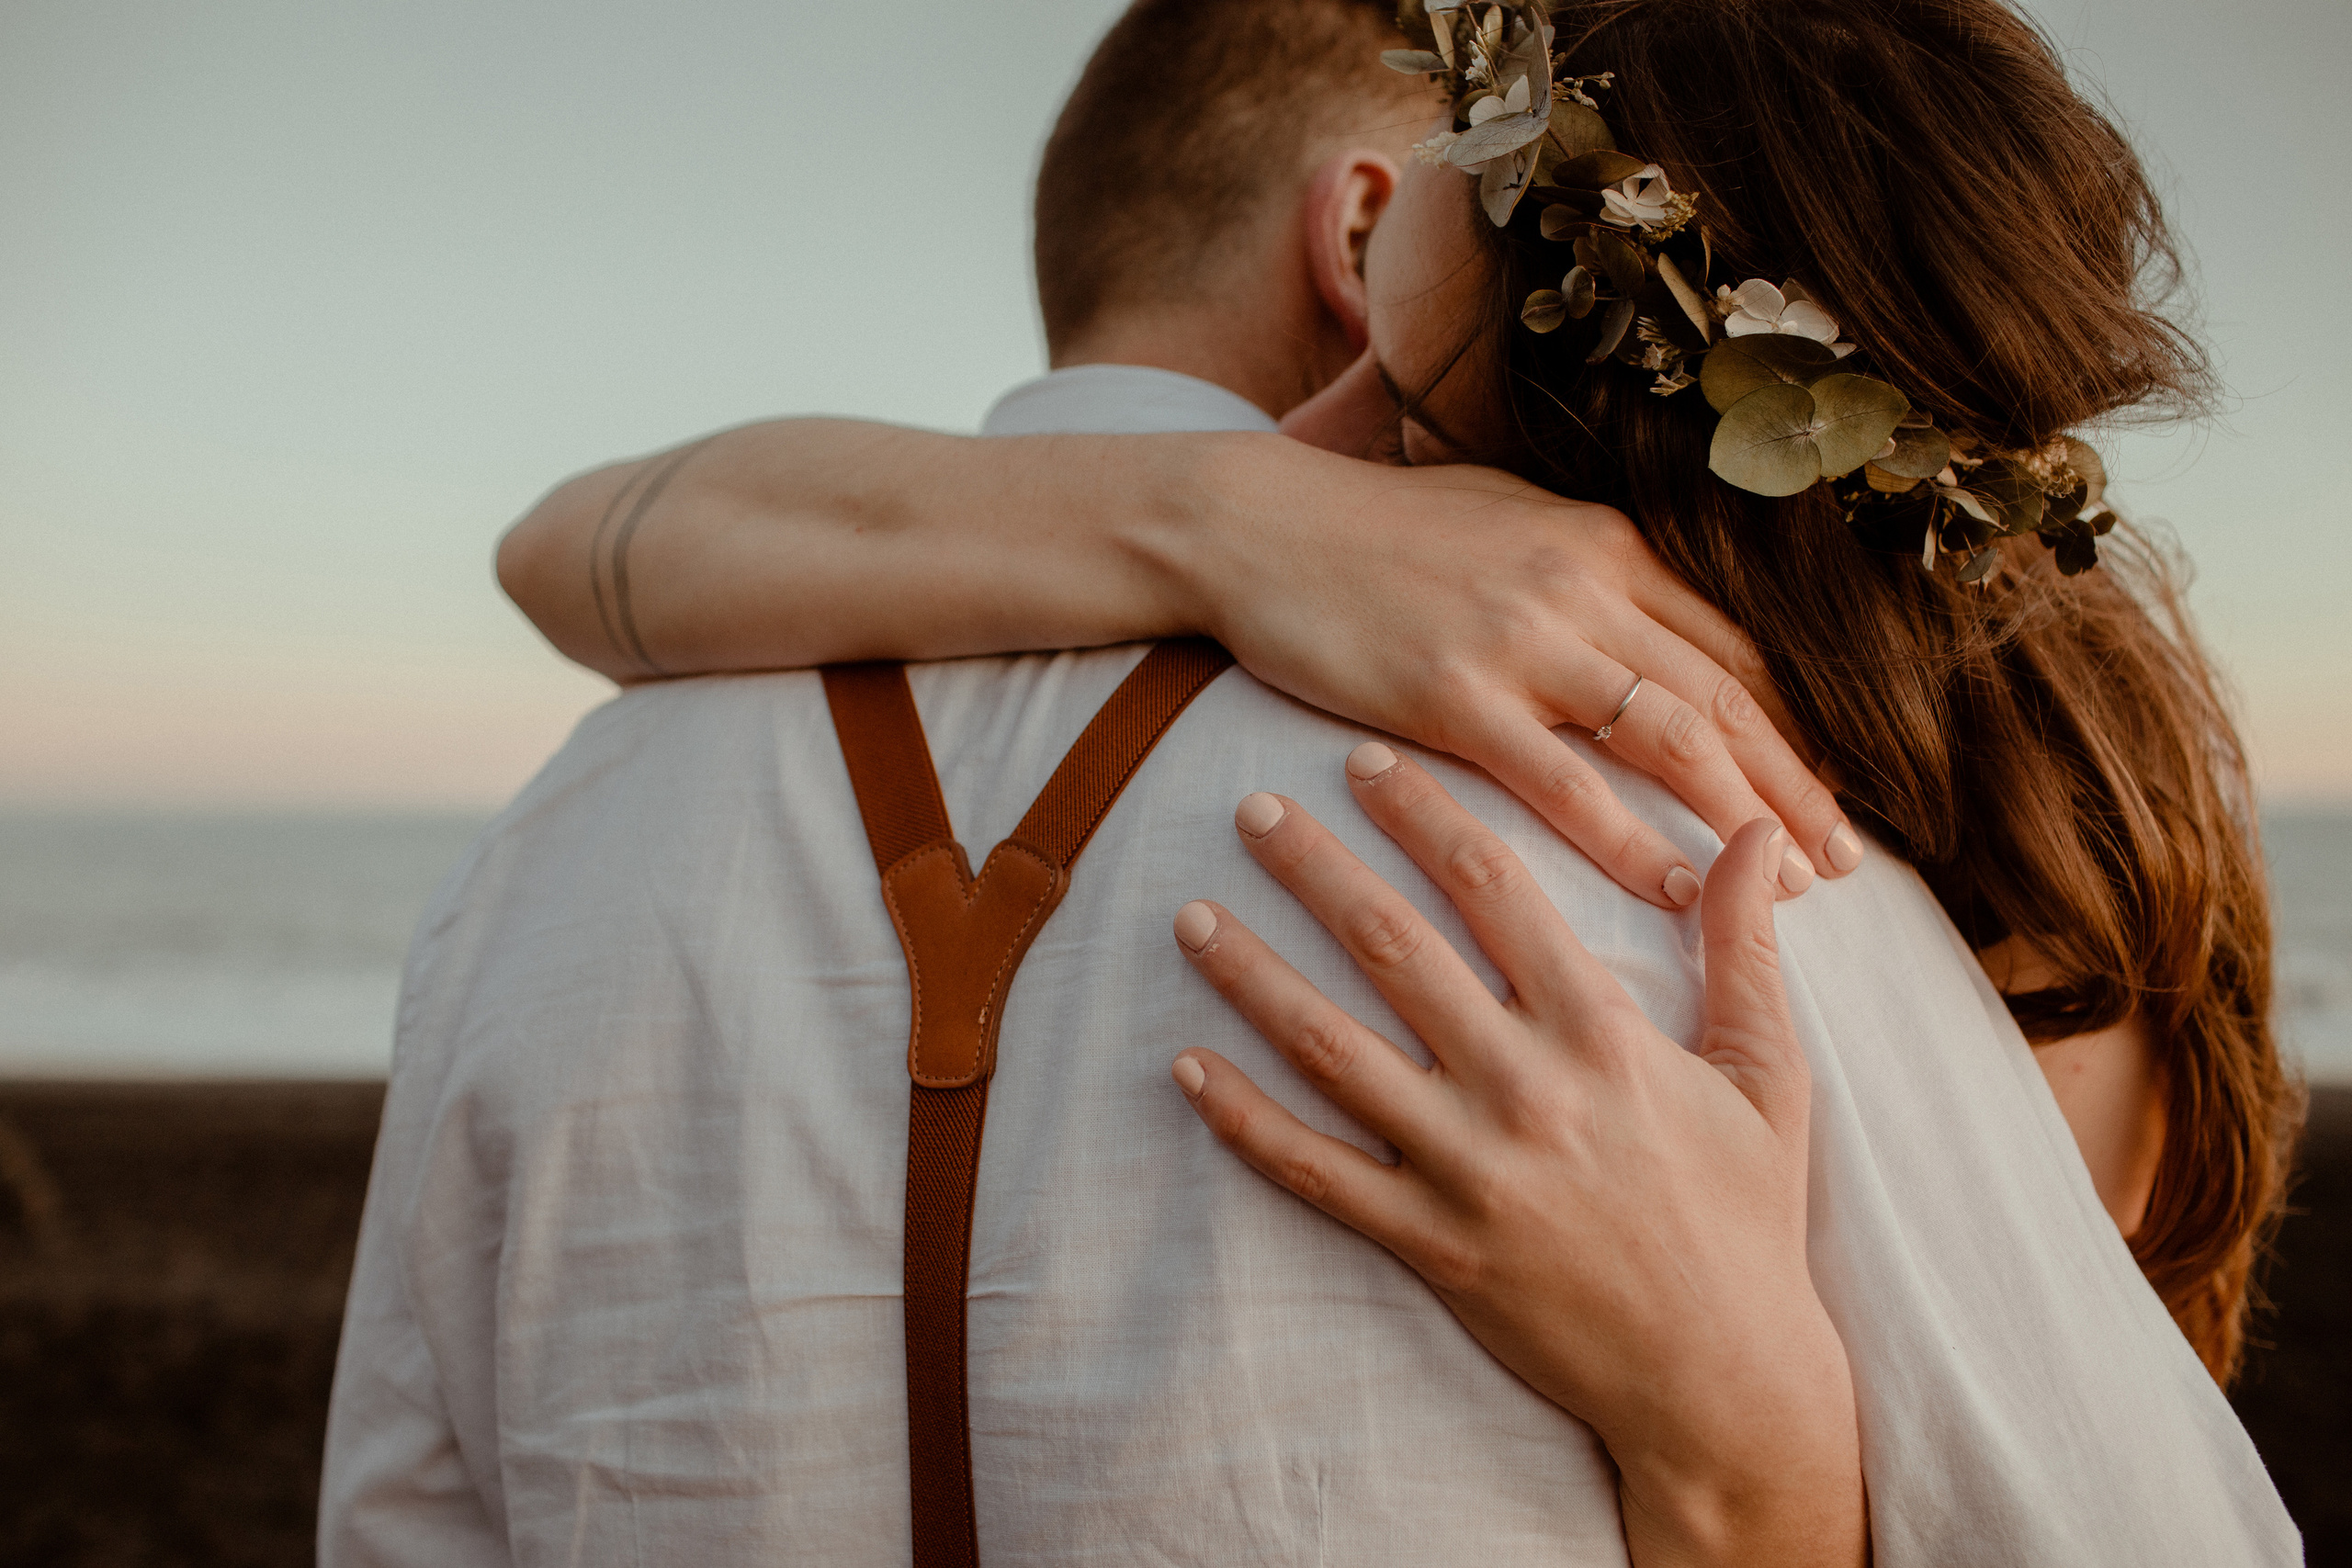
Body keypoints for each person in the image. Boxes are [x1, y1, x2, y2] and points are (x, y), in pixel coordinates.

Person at [325, 1, 2299, 1563]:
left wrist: (1752, 1443)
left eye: (1402, 402)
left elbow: (411, 1513)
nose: (1308, 448)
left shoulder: (551, 836)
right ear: (1345, 230)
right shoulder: (1734, 875)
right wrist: (1759, 1480)